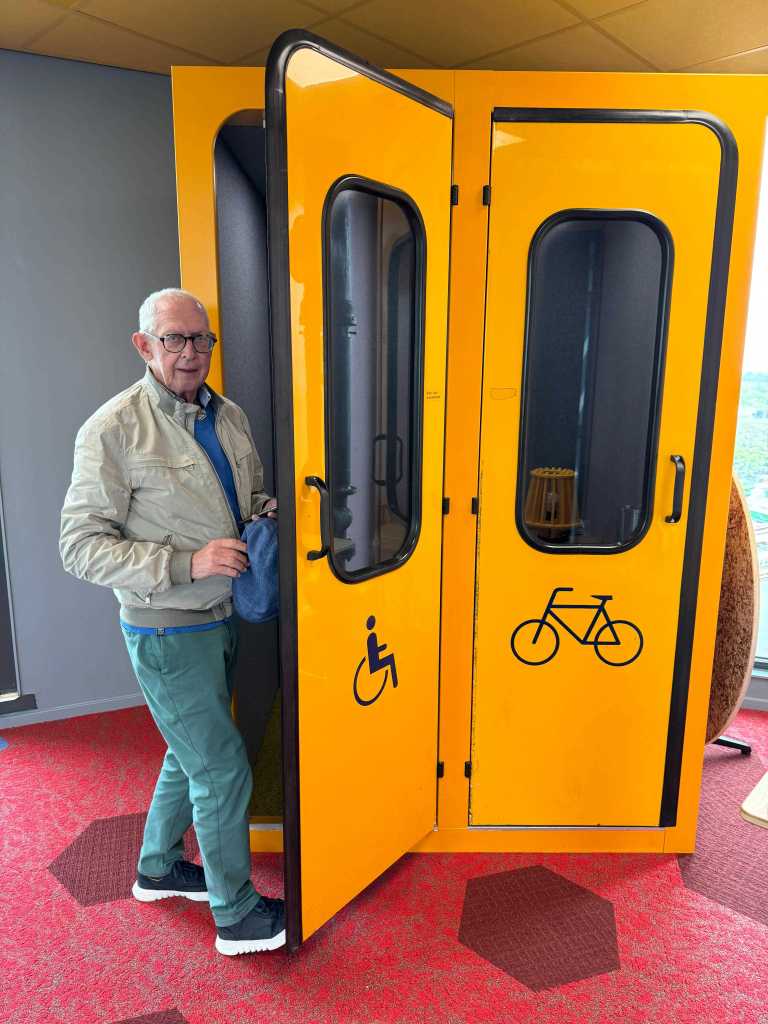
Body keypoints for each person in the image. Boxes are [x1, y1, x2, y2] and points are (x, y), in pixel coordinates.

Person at [60, 288, 285, 955]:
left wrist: (265, 512)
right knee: (221, 768)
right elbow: (80, 547)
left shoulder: (229, 415)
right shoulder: (113, 428)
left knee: (190, 752)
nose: (191, 353)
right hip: (165, 629)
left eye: (201, 339)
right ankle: (236, 916)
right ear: (144, 346)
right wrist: (189, 562)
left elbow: (247, 494)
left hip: (223, 616)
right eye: (174, 339)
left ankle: (157, 868)